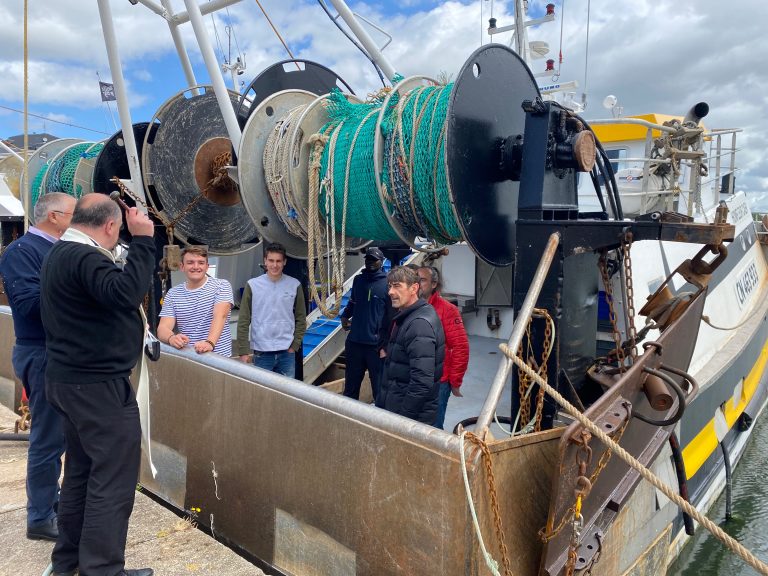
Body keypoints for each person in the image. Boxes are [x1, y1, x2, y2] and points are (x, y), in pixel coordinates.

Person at [40, 193, 155, 576]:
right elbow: (124, 294)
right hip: (97, 388)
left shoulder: (60, 252)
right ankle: (102, 569)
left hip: (70, 382)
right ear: (109, 226)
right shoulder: (85, 258)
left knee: (80, 475)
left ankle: (69, 563)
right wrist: (143, 241)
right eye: (117, 230)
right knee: (112, 481)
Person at [0, 192, 75, 542]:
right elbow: (29, 305)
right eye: (74, 213)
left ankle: (52, 503)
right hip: (42, 352)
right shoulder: (22, 252)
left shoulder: (57, 250)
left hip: (61, 353)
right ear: (56, 216)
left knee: (60, 437)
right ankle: (40, 516)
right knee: (47, 439)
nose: (78, 219)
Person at [376, 266, 445, 423]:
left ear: (414, 288)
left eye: (397, 286)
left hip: (409, 419)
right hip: (397, 409)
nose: (390, 292)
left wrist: (403, 419)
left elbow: (421, 383)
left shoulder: (418, 324)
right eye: (390, 286)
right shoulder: (409, 316)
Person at [236, 242, 306, 378]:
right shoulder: (253, 285)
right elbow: (244, 320)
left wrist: (295, 345)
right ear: (265, 261)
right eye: (271, 260)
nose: (275, 265)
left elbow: (301, 318)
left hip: (287, 352)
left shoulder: (294, 285)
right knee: (262, 393)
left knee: (288, 391)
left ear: (284, 262)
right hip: (262, 352)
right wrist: (243, 351)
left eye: (278, 261)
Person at [417, 266, 470, 429]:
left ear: (434, 284)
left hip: (438, 382)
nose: (418, 284)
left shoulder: (448, 310)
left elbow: (461, 347)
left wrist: (455, 381)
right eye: (416, 279)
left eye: (423, 280)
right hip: (415, 379)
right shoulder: (410, 307)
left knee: (434, 427)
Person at [157, 246, 234, 356]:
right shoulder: (173, 294)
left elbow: (220, 315)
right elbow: (163, 328)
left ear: (207, 267)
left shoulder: (221, 286)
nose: (196, 266)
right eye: (190, 262)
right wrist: (172, 338)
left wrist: (209, 342)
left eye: (201, 263)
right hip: (190, 357)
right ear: (182, 266)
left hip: (219, 359)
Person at [340, 247, 390, 401]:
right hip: (354, 343)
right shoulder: (358, 280)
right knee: (350, 390)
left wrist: (385, 345)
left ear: (381, 262)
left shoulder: (388, 284)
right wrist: (345, 316)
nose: (370, 262)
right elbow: (353, 301)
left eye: (374, 260)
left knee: (379, 391)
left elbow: (391, 315)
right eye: (368, 259)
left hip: (375, 347)